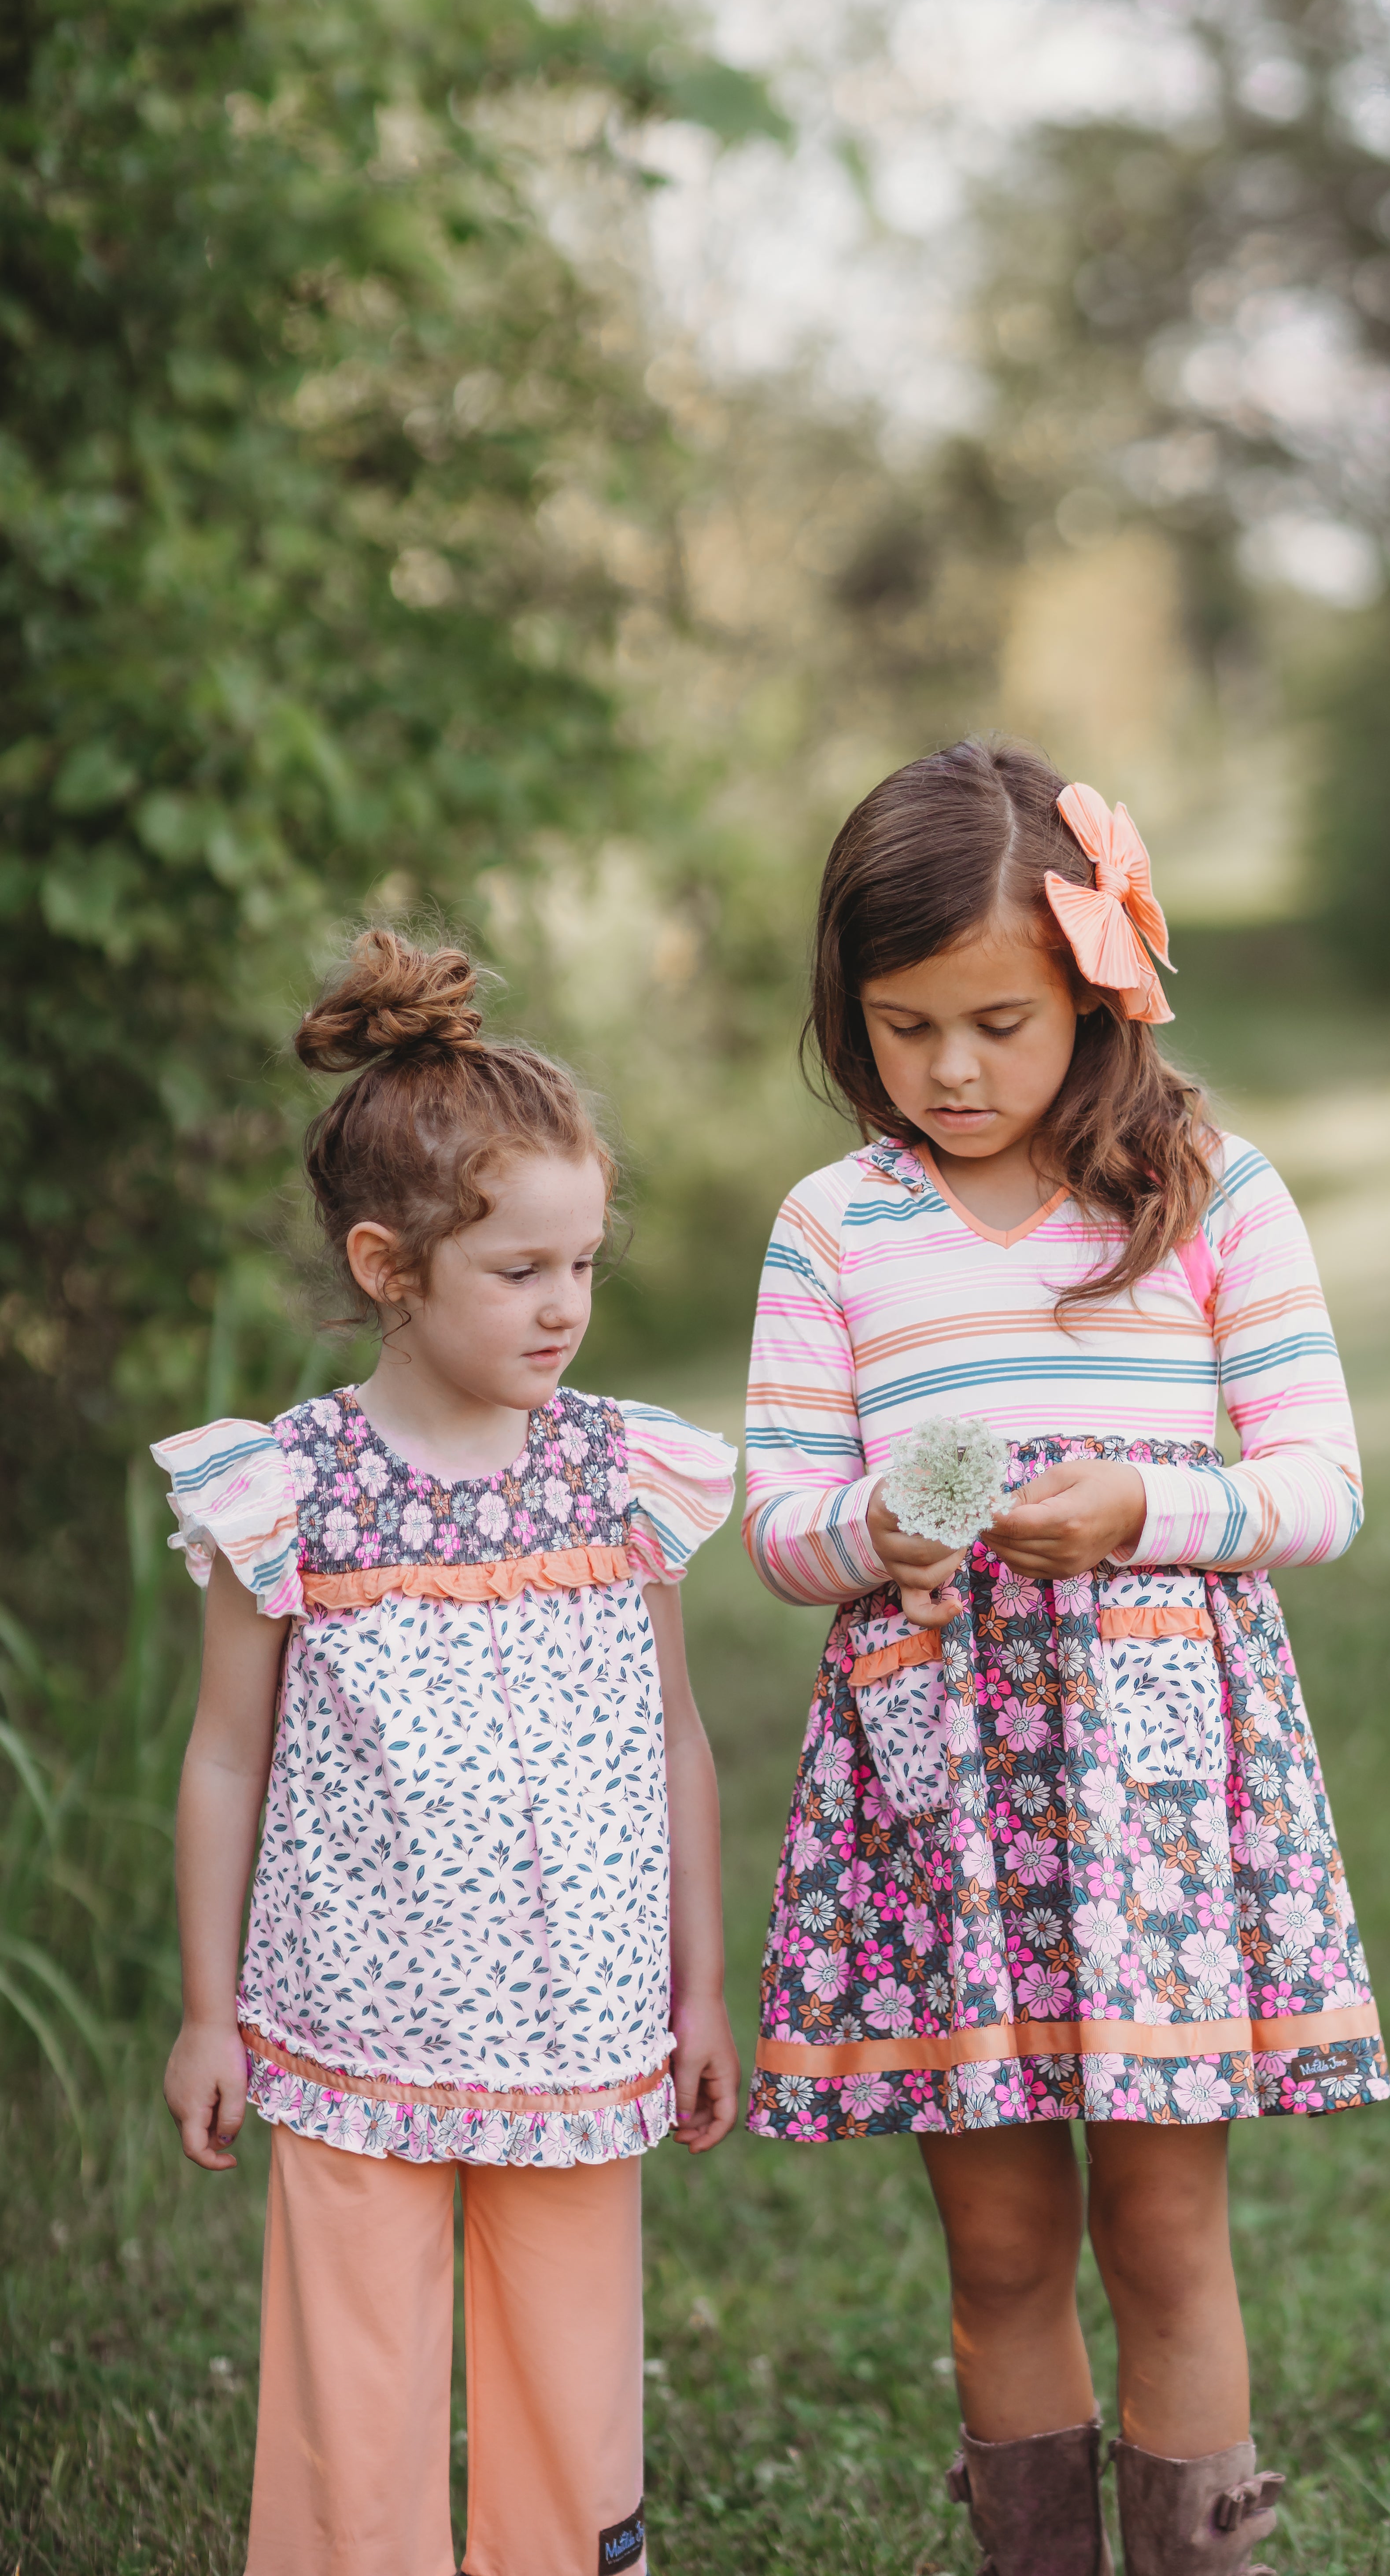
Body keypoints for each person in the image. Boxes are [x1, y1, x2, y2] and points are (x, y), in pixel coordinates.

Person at [743, 741, 1390, 2576]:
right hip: (940, 1796)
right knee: (1004, 2248)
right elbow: (779, 1522)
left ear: (1097, 993)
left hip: (1157, 1796)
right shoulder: (833, 1229)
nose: (950, 1071)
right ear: (848, 1013)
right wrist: (877, 1533)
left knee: (1165, 2238)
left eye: (998, 1023)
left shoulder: (1202, 1192)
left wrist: (1147, 1512)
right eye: (902, 1024)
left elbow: (1318, 1487)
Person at [154, 929, 739, 2576]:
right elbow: (222, 1761)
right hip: (350, 2022)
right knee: (360, 2391)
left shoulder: (629, 1476)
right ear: (388, 1265)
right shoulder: (292, 1493)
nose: (567, 1305)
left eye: (586, 1265)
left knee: (570, 2385)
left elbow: (678, 1737)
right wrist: (213, 2014)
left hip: (583, 2022)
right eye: (521, 1271)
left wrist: (699, 1986)